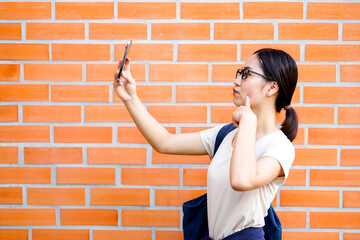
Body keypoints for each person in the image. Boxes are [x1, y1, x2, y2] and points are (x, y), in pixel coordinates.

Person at [113, 48, 298, 240]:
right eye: (239, 73)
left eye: (246, 74)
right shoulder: (225, 134)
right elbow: (165, 142)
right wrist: (130, 98)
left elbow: (242, 180)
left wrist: (248, 121)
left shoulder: (280, 147)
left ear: (271, 88)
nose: (236, 81)